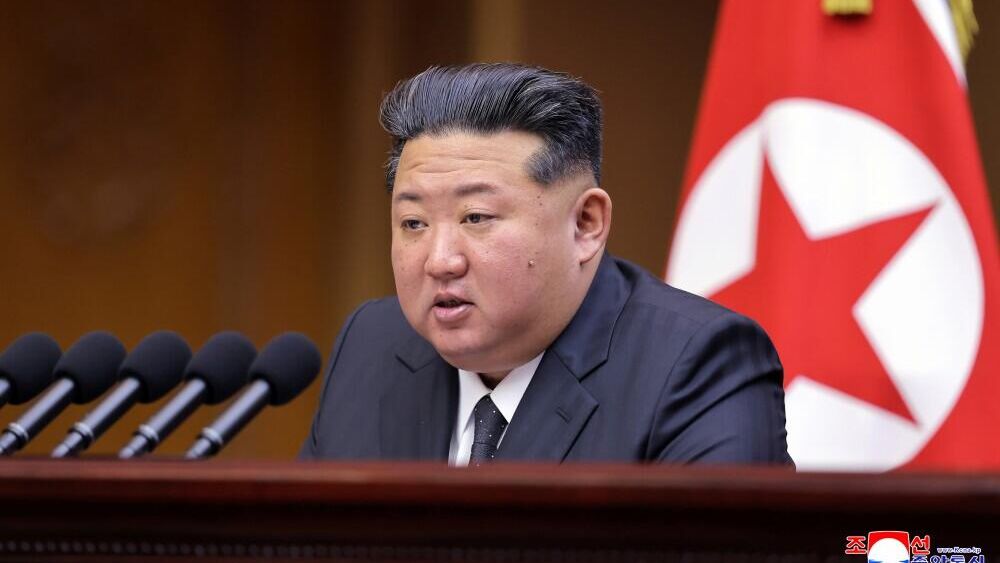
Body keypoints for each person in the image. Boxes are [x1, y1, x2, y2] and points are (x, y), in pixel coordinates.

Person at [300, 63, 792, 465]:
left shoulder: (695, 365)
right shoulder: (371, 345)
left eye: (476, 217)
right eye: (414, 223)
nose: (440, 260)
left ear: (586, 224)